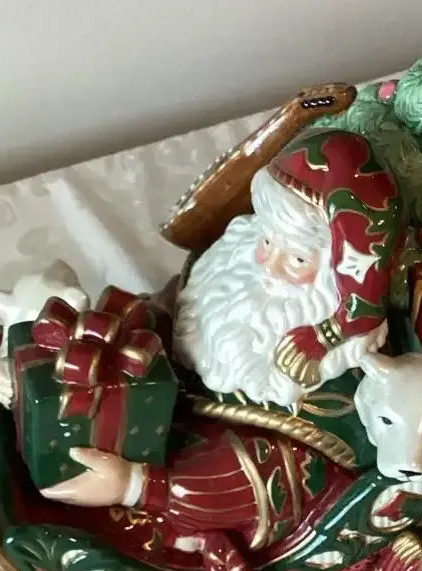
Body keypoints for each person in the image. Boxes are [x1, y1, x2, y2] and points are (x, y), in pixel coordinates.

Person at [172, 128, 405, 408]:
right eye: (267, 241)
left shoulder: (353, 385)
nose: (270, 268)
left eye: (298, 260)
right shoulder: (211, 277)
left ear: (333, 275)